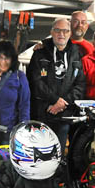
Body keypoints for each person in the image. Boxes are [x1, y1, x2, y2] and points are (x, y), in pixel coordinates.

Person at [27, 17, 87, 148]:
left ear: (70, 33)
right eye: (57, 30)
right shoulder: (40, 52)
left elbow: (80, 84)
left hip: (64, 116)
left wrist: (62, 103)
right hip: (42, 113)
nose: (61, 34)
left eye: (65, 31)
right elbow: (35, 82)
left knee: (59, 152)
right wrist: (54, 100)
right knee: (39, 151)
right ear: (51, 32)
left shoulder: (77, 53)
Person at [0, 40, 30, 143]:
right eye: (0, 57)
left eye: (7, 58)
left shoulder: (19, 77)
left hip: (9, 131)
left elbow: (24, 105)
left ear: (12, 59)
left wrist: (23, 129)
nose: (3, 62)